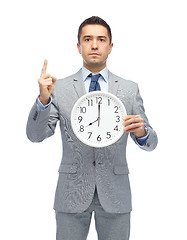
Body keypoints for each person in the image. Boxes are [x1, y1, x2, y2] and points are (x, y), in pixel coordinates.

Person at [26, 16, 158, 240]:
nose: (94, 45)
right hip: (72, 193)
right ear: (78, 46)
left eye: (101, 39)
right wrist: (43, 99)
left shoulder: (129, 88)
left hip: (115, 195)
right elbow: (35, 135)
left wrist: (142, 132)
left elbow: (151, 143)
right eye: (88, 39)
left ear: (110, 47)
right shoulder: (59, 88)